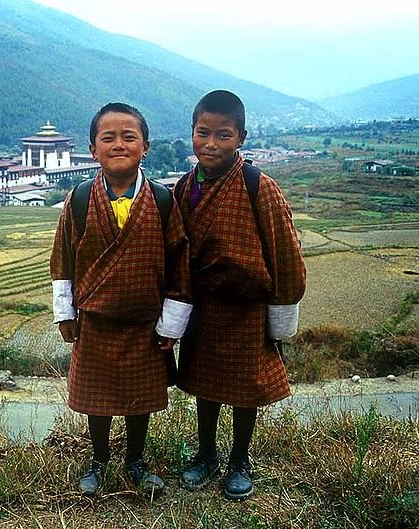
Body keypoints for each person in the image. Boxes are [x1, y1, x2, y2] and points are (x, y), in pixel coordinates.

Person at [50, 102, 192, 497]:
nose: (118, 144)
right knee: (97, 400)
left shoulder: (163, 201)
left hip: (145, 323)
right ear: (93, 149)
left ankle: (136, 459)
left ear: (145, 146)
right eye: (107, 137)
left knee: (139, 399)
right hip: (94, 320)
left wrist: (171, 324)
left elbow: (179, 262)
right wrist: (66, 313)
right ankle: (98, 458)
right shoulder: (78, 200)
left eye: (129, 137)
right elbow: (62, 259)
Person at [174, 90, 307, 500]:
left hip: (246, 307)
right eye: (203, 133)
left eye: (224, 135)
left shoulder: (257, 186)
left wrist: (282, 307)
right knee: (205, 384)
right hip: (203, 306)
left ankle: (239, 459)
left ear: (241, 138)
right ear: (192, 133)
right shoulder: (183, 187)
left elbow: (284, 249)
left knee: (244, 388)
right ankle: (206, 454)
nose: (211, 144)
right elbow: (176, 249)